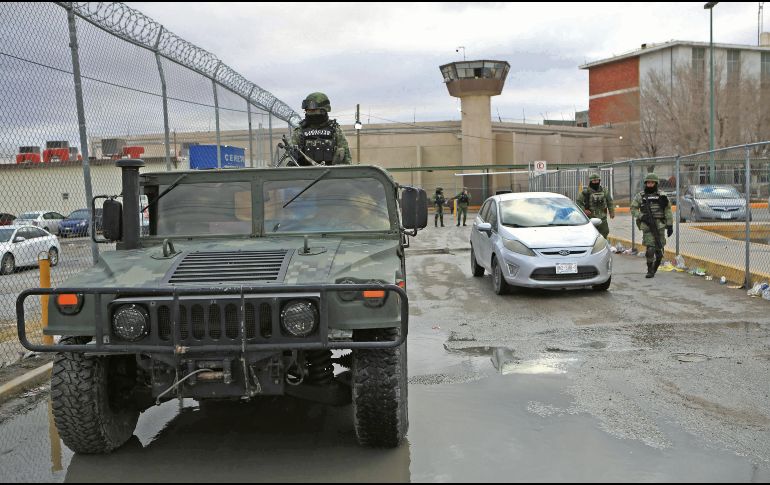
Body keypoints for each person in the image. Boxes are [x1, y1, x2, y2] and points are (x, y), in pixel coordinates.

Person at [630, 172, 673, 278]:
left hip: (660, 226)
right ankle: (649, 270)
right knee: (650, 249)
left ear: (656, 183)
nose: (649, 185)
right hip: (647, 226)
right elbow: (633, 208)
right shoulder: (641, 196)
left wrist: (670, 225)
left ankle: (655, 267)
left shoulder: (662, 196)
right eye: (648, 183)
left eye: (652, 183)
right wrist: (641, 216)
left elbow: (668, 211)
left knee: (659, 251)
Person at [290, 92, 351, 165]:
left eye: (313, 110)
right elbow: (289, 157)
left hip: (332, 174)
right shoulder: (300, 131)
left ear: (324, 110)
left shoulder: (335, 130)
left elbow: (346, 160)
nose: (309, 113)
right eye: (307, 110)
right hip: (305, 174)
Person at [576, 173, 615, 239]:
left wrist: (612, 212)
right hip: (590, 217)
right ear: (591, 181)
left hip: (602, 217)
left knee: (605, 232)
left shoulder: (604, 191)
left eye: (597, 180)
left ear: (599, 181)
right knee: (591, 234)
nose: (596, 182)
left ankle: (603, 246)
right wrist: (584, 210)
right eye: (594, 181)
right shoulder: (585, 192)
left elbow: (610, 201)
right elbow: (578, 202)